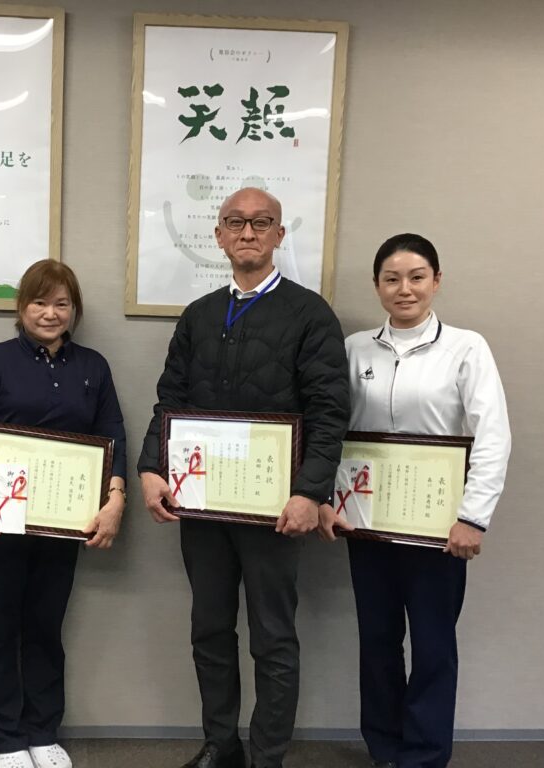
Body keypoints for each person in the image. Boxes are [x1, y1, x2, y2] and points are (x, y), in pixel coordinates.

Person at [137, 187, 350, 768]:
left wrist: (309, 491)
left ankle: (267, 756)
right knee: (209, 628)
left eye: (261, 223)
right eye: (236, 222)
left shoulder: (310, 314)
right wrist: (152, 468)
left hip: (275, 510)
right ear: (219, 235)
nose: (248, 233)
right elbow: (170, 399)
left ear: (280, 234)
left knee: (273, 636)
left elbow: (330, 411)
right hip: (202, 502)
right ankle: (221, 744)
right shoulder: (200, 315)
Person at [319, 233, 511, 768]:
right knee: (377, 640)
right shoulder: (355, 349)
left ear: (437, 281)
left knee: (432, 645)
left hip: (438, 527)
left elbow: (493, 436)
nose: (404, 289)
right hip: (366, 521)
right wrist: (328, 498)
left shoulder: (466, 348)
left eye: (417, 277)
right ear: (377, 285)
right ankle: (385, 747)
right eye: (392, 278)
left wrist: (473, 518)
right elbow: (332, 429)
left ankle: (424, 755)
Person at [0, 260, 127, 768]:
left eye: (61, 303)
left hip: (66, 518)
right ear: (21, 307)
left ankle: (43, 730)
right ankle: (6, 738)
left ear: (74, 310)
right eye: (39, 302)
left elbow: (112, 434)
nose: (50, 313)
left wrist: (116, 499)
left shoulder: (93, 367)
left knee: (46, 626)